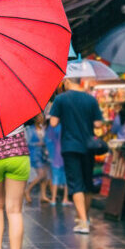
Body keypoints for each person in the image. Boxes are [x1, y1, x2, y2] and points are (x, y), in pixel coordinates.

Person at [50, 80, 104, 233]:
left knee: (76, 184)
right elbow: (99, 124)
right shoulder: (90, 99)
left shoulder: (61, 99)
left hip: (70, 146)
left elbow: (53, 123)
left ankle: (84, 222)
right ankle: (84, 217)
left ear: (67, 81)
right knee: (87, 183)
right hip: (88, 146)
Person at [24, 114, 52, 204]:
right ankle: (28, 189)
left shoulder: (44, 129)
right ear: (35, 119)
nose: (42, 119)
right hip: (35, 154)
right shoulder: (29, 129)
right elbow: (27, 142)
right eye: (40, 117)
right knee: (41, 174)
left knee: (45, 176)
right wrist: (37, 144)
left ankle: (43, 196)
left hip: (44, 154)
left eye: (42, 117)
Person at [44, 119, 69, 205]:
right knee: (67, 178)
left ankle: (53, 199)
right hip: (66, 153)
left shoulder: (52, 127)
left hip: (55, 155)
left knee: (55, 178)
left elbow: (48, 140)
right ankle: (65, 199)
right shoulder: (66, 125)